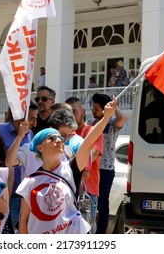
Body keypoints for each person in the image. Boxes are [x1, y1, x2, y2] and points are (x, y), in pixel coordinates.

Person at [16, 97, 119, 234]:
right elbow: (24, 220)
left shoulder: (71, 169)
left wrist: (106, 117)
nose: (59, 141)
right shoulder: (29, 182)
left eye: (61, 138)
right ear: (40, 147)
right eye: (52, 138)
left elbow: (88, 143)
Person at [87, 93, 127, 234]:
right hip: (91, 168)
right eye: (93, 107)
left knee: (103, 203)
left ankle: (101, 233)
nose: (93, 110)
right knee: (89, 200)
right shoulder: (91, 123)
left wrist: (113, 107)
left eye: (97, 108)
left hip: (105, 169)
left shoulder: (112, 124)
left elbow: (123, 118)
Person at [65, 97, 103, 233]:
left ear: (83, 111)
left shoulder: (94, 132)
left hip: (88, 193)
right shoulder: (63, 134)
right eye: (68, 113)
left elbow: (90, 157)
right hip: (67, 192)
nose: (71, 116)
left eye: (74, 112)